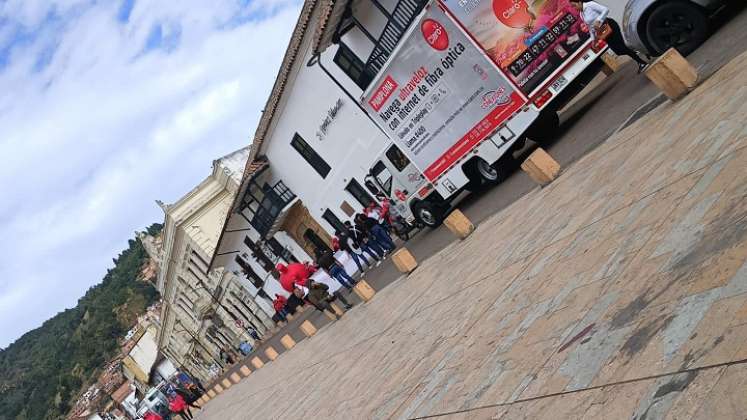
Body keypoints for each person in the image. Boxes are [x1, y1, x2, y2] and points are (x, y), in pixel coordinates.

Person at [570, 0, 648, 72]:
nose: (574, 8)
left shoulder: (590, 5)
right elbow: (590, 28)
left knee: (622, 47)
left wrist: (599, 20)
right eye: (572, 7)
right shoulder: (581, 14)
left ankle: (641, 63)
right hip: (603, 33)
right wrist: (593, 40)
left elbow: (605, 9)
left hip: (610, 26)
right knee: (618, 51)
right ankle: (641, 50)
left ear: (580, 2)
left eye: (574, 5)